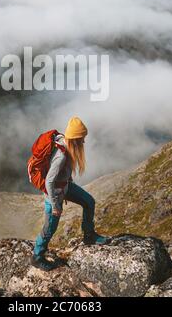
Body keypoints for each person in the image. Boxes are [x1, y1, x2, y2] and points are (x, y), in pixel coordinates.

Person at [31, 116, 110, 271]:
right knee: (50, 228)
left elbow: (63, 172)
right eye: (82, 139)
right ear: (74, 140)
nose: (84, 142)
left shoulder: (65, 143)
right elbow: (49, 182)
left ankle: (89, 235)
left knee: (89, 202)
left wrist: (69, 180)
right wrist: (55, 206)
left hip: (65, 187)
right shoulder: (60, 156)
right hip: (54, 194)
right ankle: (36, 256)